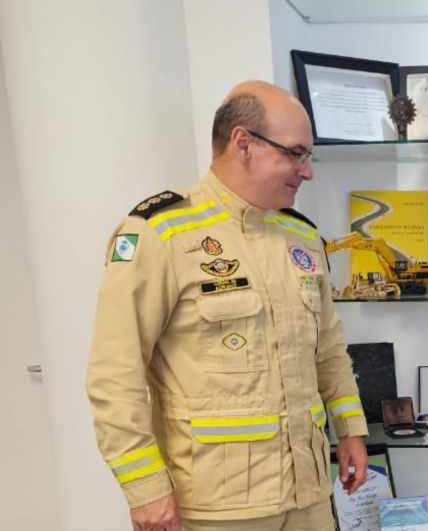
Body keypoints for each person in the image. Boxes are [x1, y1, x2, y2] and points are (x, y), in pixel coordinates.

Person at [86, 81, 369, 531]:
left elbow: (329, 348)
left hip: (310, 495)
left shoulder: (303, 238)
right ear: (244, 143)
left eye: (307, 156)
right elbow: (114, 374)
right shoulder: (160, 234)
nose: (307, 171)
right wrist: (145, 488)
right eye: (296, 154)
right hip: (218, 507)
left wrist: (350, 429)